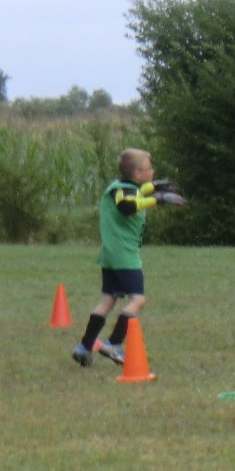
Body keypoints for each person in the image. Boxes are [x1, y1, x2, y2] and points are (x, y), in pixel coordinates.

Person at [71, 147, 183, 368]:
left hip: (111, 256)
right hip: (124, 256)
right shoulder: (121, 191)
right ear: (138, 173)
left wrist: (155, 186)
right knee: (137, 300)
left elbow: (136, 193)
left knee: (108, 300)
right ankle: (112, 343)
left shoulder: (123, 186)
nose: (152, 171)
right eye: (150, 169)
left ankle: (84, 347)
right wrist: (158, 198)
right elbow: (127, 205)